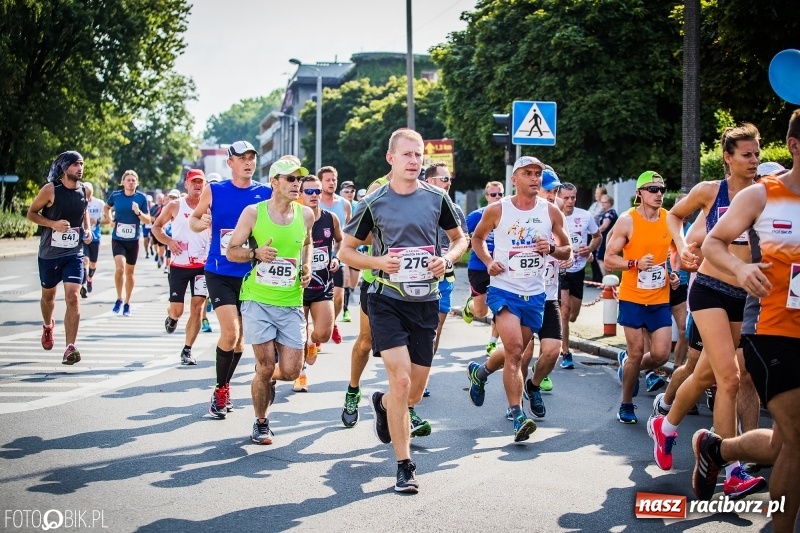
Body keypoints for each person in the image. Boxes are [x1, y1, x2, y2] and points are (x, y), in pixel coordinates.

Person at [338, 128, 467, 494]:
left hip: (424, 302)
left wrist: (445, 259)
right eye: (407, 154)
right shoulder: (373, 202)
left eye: (419, 155)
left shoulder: (437, 198)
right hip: (386, 300)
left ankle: (381, 403)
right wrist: (379, 261)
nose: (414, 161)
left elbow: (460, 239)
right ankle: (404, 465)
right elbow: (346, 252)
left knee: (411, 393)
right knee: (403, 380)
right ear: (390, 158)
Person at [693, 110, 800, 532]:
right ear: (794, 146)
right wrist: (740, 271)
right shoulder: (761, 195)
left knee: (782, 442)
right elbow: (713, 243)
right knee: (796, 435)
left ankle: (717, 451)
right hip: (771, 329)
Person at [648, 124, 765, 497]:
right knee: (728, 378)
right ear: (728, 158)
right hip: (710, 291)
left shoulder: (766, 193)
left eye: (757, 153)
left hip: (742, 297)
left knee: (702, 376)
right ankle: (730, 470)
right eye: (746, 154)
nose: (754, 160)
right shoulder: (710, 192)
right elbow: (673, 216)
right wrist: (681, 247)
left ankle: (665, 426)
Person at [469, 156, 572, 441]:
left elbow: (567, 251)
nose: (535, 178)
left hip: (536, 293)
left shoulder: (550, 212)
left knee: (518, 349)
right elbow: (476, 240)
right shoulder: (496, 209)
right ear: (514, 179)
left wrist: (551, 247)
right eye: (528, 173)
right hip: (504, 289)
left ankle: (481, 372)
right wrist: (489, 261)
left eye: (538, 173)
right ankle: (518, 415)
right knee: (515, 351)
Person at [225, 157, 314, 444]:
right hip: (257, 299)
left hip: (291, 301)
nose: (296, 184)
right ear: (274, 182)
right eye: (289, 178)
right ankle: (261, 421)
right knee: (264, 366)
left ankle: (264, 378)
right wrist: (255, 254)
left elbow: (308, 243)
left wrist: (307, 265)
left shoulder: (306, 215)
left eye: (298, 178)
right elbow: (231, 251)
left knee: (291, 371)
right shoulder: (253, 213)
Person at [190, 140, 271, 420]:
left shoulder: (266, 193)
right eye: (242, 158)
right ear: (230, 163)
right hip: (219, 271)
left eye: (252, 157)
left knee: (239, 341)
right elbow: (195, 219)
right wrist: (200, 223)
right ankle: (221, 389)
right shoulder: (216, 189)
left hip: (251, 274)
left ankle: (224, 386)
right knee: (231, 333)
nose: (248, 162)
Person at [603, 171, 677, 424]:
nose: (659, 194)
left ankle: (628, 370)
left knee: (661, 355)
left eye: (662, 189)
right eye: (653, 189)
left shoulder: (670, 219)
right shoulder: (627, 221)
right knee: (635, 353)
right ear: (640, 193)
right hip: (633, 297)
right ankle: (626, 403)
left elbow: (676, 252)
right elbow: (609, 258)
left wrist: (674, 273)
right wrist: (634, 263)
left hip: (660, 297)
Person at [26, 151, 91, 364]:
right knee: (49, 297)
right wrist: (53, 224)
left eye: (81, 164)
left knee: (73, 297)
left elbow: (84, 211)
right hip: (49, 253)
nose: (79, 168)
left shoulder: (85, 189)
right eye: (75, 165)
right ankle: (47, 326)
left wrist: (87, 230)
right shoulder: (51, 190)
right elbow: (31, 213)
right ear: (64, 168)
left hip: (74, 252)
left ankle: (70, 347)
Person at [152, 169, 210, 366]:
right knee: (177, 310)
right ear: (186, 184)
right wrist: (168, 242)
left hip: (202, 266)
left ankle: (187, 349)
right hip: (179, 265)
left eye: (200, 182)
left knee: (198, 307)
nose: (197, 185)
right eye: (193, 182)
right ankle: (172, 317)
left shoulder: (211, 206)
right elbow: (156, 227)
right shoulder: (175, 205)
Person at [296, 174, 343, 392]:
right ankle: (300, 373)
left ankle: (312, 343)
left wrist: (336, 257)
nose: (315, 195)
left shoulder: (330, 218)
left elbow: (340, 240)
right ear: (300, 194)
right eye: (310, 191)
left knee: (323, 333)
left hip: (323, 284)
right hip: (298, 286)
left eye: (318, 191)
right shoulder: (293, 219)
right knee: (298, 333)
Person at [424, 163, 467, 358]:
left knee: (436, 327)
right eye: (444, 179)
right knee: (417, 327)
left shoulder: (455, 209)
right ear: (429, 181)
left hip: (444, 277)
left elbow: (464, 240)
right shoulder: (416, 206)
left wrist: (448, 258)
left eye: (449, 179)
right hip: (417, 277)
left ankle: (424, 374)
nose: (449, 183)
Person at [557, 182, 601, 369]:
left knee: (573, 315)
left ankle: (560, 336)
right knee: (564, 311)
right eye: (566, 197)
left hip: (578, 268)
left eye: (573, 197)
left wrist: (589, 249)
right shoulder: (553, 215)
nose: (570, 201)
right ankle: (565, 351)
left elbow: (597, 236)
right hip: (560, 270)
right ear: (559, 197)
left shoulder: (585, 216)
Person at [463, 181, 505, 357]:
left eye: (500, 194)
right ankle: (470, 307)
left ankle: (492, 343)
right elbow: (460, 235)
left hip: (503, 269)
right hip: (479, 267)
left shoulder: (509, 214)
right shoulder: (476, 215)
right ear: (486, 196)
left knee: (501, 307)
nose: (496, 198)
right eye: (493, 194)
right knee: (482, 311)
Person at [104, 170, 150, 316]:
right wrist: (110, 220)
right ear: (122, 182)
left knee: (130, 273)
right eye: (128, 180)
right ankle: (119, 298)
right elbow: (107, 207)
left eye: (133, 180)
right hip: (118, 239)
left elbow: (148, 220)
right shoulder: (116, 195)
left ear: (137, 183)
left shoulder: (141, 198)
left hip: (133, 240)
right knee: (120, 269)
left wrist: (138, 212)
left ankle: (127, 303)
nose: (131, 182)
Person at [318, 166, 352, 343]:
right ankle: (319, 330)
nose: (332, 183)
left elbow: (348, 231)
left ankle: (332, 323)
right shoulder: (313, 202)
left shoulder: (344, 204)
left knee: (338, 297)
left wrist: (342, 254)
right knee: (315, 299)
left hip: (337, 255)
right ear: (320, 182)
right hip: (316, 257)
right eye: (328, 180)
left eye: (334, 179)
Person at [338, 180, 359, 323]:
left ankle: (347, 298)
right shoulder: (339, 204)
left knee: (353, 282)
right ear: (341, 192)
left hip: (358, 248)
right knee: (345, 280)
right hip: (342, 248)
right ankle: (345, 310)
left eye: (352, 191)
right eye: (347, 191)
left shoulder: (359, 205)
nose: (350, 193)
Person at [80, 182, 104, 298]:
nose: (87, 196)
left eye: (88, 193)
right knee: (84, 260)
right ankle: (83, 284)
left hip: (95, 237)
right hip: (83, 237)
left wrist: (97, 221)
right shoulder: (79, 202)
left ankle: (90, 278)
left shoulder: (99, 203)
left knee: (93, 263)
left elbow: (108, 220)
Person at [595, 194, 618, 277]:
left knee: (600, 259)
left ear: (610, 203)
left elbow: (604, 226)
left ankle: (607, 282)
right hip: (607, 238)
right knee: (605, 260)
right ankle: (609, 282)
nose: (603, 204)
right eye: (602, 202)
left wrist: (594, 232)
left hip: (605, 238)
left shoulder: (609, 213)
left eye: (605, 202)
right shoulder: (610, 212)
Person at [588, 185, 607, 282]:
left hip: (597, 233)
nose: (596, 195)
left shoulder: (603, 206)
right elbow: (588, 214)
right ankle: (594, 277)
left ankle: (599, 278)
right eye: (595, 193)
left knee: (596, 256)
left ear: (602, 194)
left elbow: (594, 216)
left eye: (597, 193)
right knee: (590, 255)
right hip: (589, 232)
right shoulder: (594, 204)